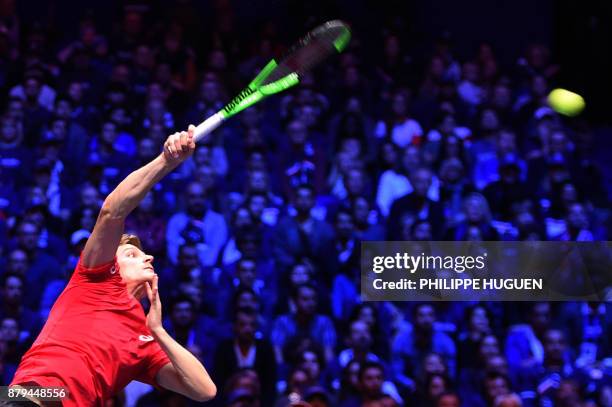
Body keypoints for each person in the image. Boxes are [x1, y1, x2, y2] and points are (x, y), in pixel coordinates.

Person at [9, 126, 216, 405]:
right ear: (112, 266)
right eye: (132, 254)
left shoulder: (144, 341)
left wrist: (158, 330)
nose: (148, 257)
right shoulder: (93, 279)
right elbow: (112, 211)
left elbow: (205, 391)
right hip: (34, 394)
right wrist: (167, 161)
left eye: (143, 254)